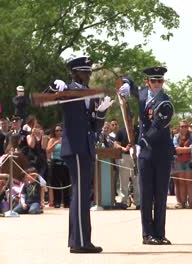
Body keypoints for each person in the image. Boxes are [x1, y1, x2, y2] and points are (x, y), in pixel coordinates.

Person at [51, 56, 113, 253]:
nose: (88, 75)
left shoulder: (91, 94)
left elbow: (94, 125)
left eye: (89, 71)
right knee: (80, 194)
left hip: (86, 147)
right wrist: (54, 86)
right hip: (75, 148)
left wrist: (102, 113)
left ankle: (80, 240)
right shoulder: (67, 90)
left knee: (83, 194)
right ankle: (80, 242)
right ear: (74, 73)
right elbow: (47, 98)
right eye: (84, 72)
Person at [119, 66, 174, 245]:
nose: (157, 84)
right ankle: (147, 234)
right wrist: (126, 83)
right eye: (154, 81)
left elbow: (158, 126)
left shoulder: (166, 101)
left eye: (160, 81)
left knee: (160, 194)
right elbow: (128, 77)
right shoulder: (142, 94)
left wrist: (141, 142)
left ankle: (159, 233)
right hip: (145, 153)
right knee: (146, 193)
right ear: (147, 82)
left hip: (161, 150)